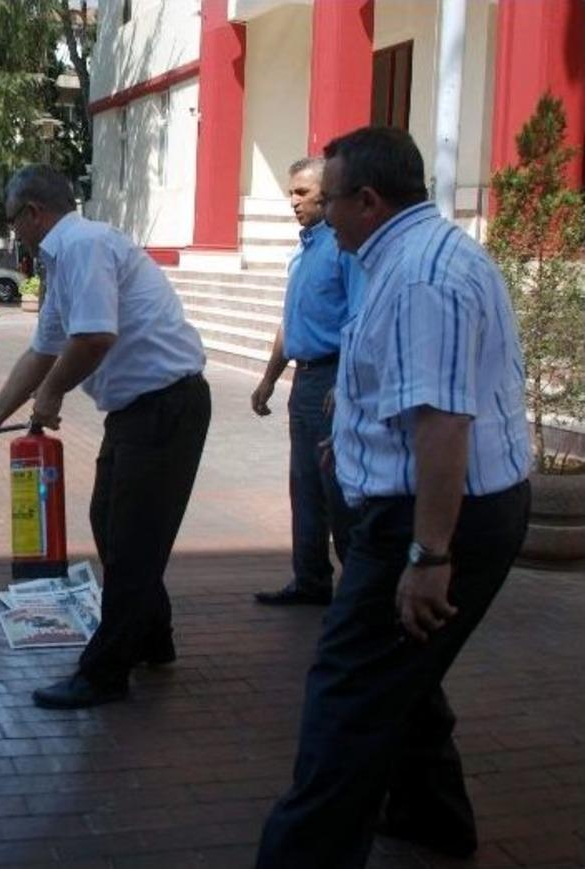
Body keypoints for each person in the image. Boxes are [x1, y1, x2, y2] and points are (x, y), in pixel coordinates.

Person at [256, 127, 532, 868]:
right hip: (433, 510)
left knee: (348, 696)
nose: (321, 215)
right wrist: (350, 439)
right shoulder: (406, 257)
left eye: (330, 201)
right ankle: (431, 816)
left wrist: (429, 555)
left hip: (434, 521)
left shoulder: (420, 278)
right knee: (402, 676)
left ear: (369, 200)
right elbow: (406, 389)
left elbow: (443, 421)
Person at [0, 164, 211, 710]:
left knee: (132, 539)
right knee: (112, 524)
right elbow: (44, 350)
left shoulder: (83, 246)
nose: (12, 232)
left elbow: (96, 336)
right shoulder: (64, 258)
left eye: (11, 220)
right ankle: (152, 637)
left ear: (33, 213)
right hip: (137, 411)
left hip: (165, 406)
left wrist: (51, 396)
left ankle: (104, 673)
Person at [251, 158, 363, 606]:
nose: (293, 201)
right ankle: (310, 580)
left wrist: (347, 380)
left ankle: (358, 591)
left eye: (302, 192)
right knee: (305, 485)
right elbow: (290, 323)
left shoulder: (343, 249)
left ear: (327, 193)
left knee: (338, 488)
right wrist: (269, 379)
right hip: (305, 379)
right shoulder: (302, 254)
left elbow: (360, 316)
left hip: (333, 377)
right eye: (291, 192)